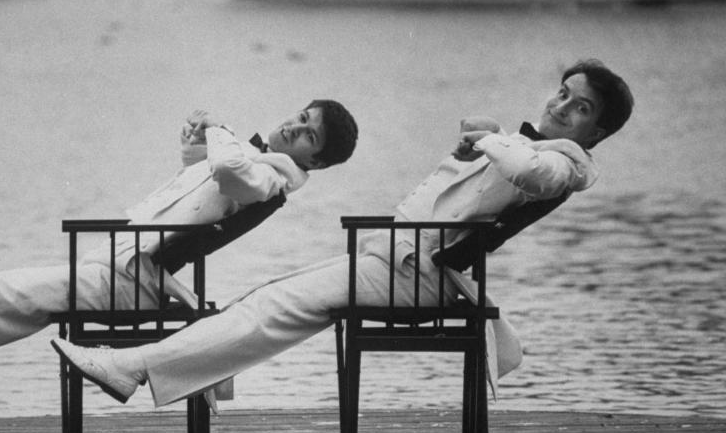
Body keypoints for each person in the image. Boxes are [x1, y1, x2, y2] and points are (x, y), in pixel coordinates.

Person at [51, 59, 634, 408]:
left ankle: (139, 368)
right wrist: (488, 141)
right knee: (267, 305)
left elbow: (530, 169)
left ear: (598, 131)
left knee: (269, 304)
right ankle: (182, 370)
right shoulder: (531, 146)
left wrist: (486, 136)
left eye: (579, 107)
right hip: (397, 263)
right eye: (563, 92)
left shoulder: (568, 163)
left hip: (416, 276)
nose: (561, 106)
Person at [0, 100, 359, 382]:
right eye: (301, 116)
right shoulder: (255, 160)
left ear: (316, 161)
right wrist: (195, 138)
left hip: (132, 279)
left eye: (309, 134)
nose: (295, 127)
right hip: (121, 263)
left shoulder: (269, 177)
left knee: (1, 292)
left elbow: (229, 169)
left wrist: (218, 132)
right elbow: (203, 174)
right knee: (7, 300)